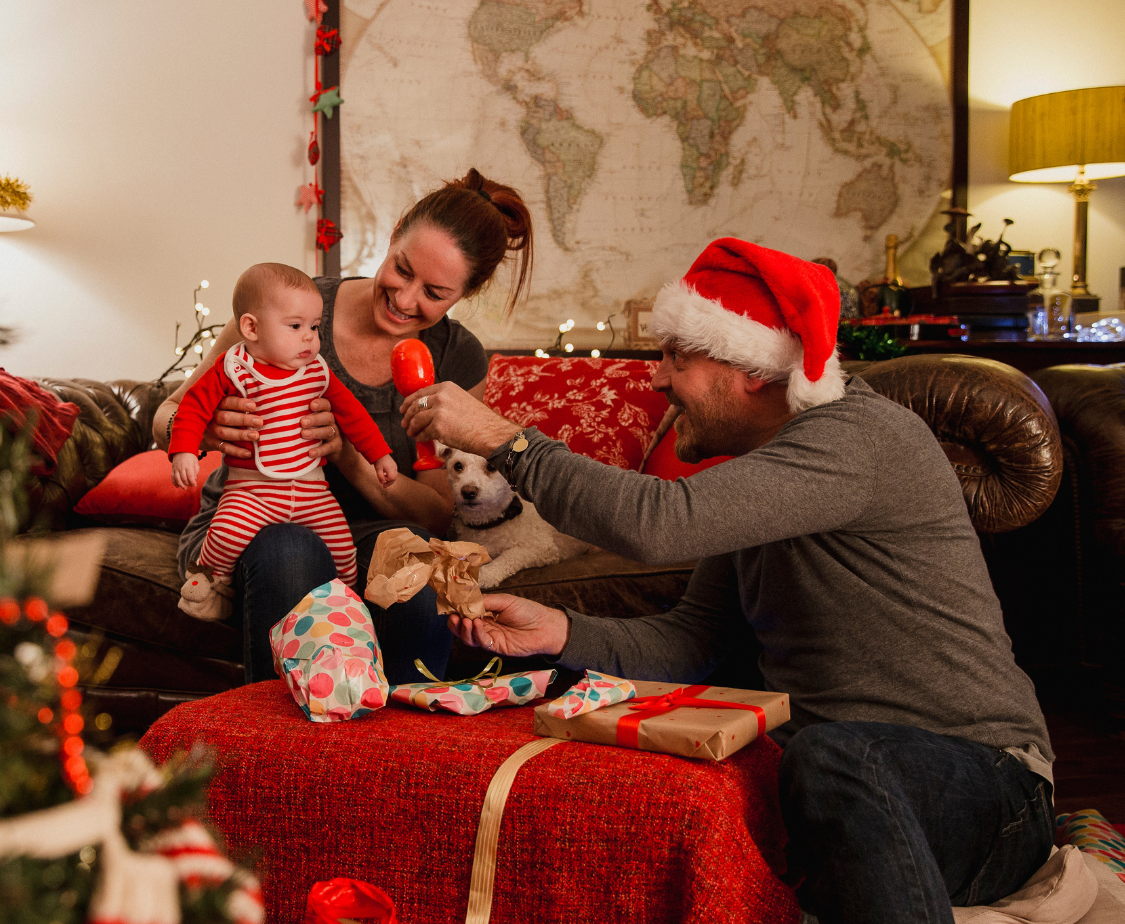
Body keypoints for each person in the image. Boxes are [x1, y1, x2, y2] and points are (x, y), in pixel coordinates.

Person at [399, 237, 1054, 923]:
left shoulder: (859, 438)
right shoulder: (766, 475)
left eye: (677, 358)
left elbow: (658, 523)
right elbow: (694, 642)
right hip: (845, 784)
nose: (657, 381)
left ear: (752, 370)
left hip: (991, 788)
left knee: (834, 758)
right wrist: (560, 631)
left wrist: (510, 442)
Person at [151, 168, 534, 685]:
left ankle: (396, 749)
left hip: (361, 535)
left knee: (417, 567)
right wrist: (212, 430)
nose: (404, 299)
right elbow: (165, 418)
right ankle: (275, 751)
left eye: (434, 293)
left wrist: (349, 456)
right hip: (251, 523)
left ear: (463, 295)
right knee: (292, 551)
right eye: (402, 269)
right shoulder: (292, 308)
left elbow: (438, 514)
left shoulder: (456, 358)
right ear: (394, 232)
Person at [168, 263, 398, 619]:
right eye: (295, 326)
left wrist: (379, 455)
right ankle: (212, 585)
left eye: (314, 327)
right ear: (251, 328)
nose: (309, 337)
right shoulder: (233, 369)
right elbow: (191, 408)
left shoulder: (317, 372)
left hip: (313, 493)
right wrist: (184, 449)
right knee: (227, 533)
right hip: (251, 493)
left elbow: (354, 416)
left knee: (342, 546)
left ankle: (351, 602)